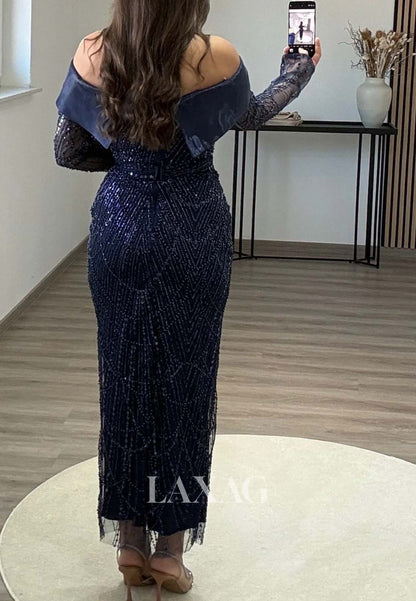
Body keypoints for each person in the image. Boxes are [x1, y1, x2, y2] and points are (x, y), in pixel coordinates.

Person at [53, 2, 321, 600]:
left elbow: (68, 150)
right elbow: (251, 114)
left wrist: (129, 159)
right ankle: (170, 553)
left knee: (123, 380)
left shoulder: (94, 51)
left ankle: (129, 543)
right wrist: (299, 69)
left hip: (120, 227)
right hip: (192, 227)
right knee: (186, 383)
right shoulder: (214, 56)